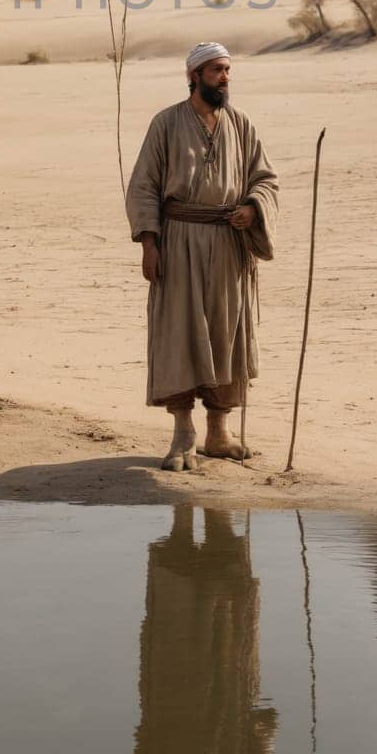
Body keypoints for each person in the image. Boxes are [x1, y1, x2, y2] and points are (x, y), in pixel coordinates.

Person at [125, 42, 278, 471]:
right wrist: (149, 243)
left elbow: (265, 179)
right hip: (179, 243)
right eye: (215, 71)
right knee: (180, 335)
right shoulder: (166, 124)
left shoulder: (242, 124)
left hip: (229, 246)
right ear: (193, 76)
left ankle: (219, 432)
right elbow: (143, 187)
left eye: (228, 70)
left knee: (227, 335)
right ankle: (183, 434)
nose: (224, 78)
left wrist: (253, 207)